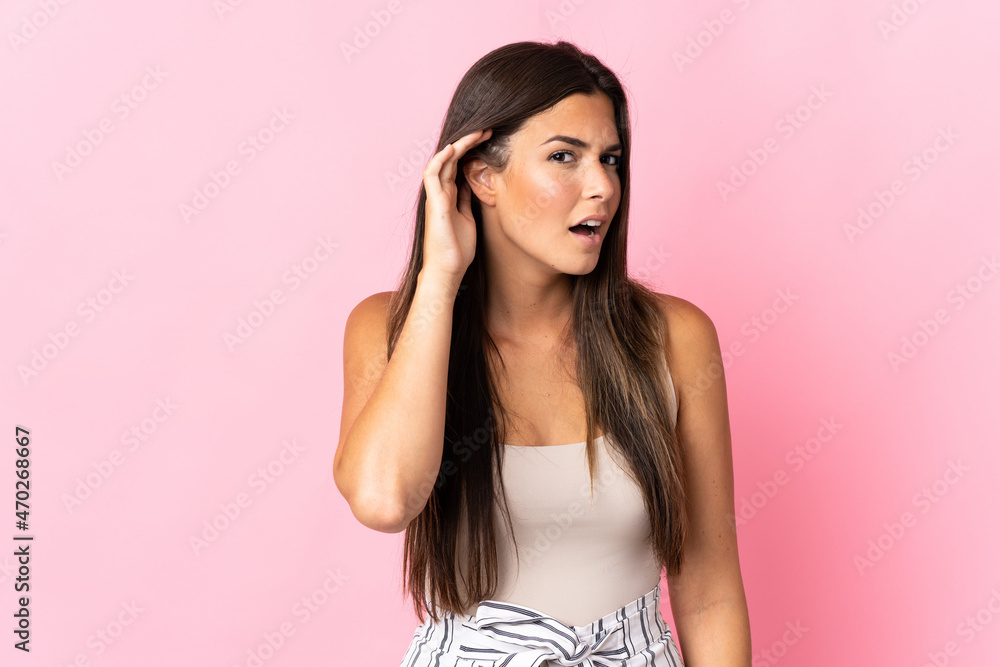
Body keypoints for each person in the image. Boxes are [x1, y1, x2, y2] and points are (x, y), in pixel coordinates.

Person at [334, 40, 751, 666]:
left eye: (611, 160)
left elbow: (710, 592)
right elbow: (383, 500)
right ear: (482, 175)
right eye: (564, 156)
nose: (602, 187)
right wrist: (440, 279)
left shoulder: (674, 338)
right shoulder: (387, 329)